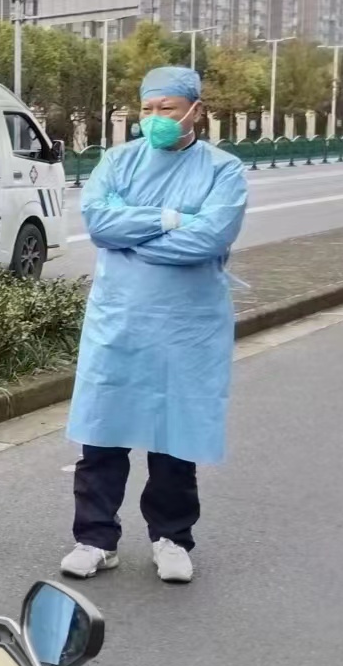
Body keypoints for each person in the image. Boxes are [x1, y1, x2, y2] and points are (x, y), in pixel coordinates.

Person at [61, 66, 247, 585]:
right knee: (102, 434)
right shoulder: (117, 160)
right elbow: (100, 224)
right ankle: (95, 539)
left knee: (175, 437)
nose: (155, 118)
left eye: (167, 108)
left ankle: (172, 538)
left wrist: (133, 235)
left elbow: (209, 238)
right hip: (119, 321)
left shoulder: (223, 169)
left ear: (195, 111)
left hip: (187, 326)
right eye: (147, 108)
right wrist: (171, 218)